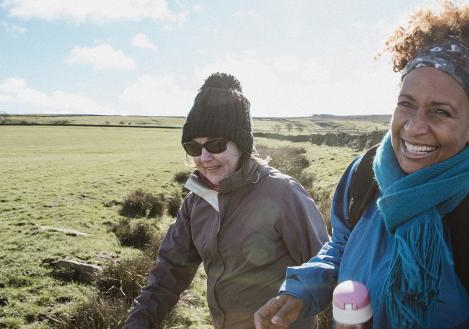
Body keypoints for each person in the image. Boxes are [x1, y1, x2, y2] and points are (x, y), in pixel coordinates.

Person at [254, 1, 469, 328]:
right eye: (407, 104)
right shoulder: (363, 175)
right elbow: (342, 246)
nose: (415, 126)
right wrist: (303, 289)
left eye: (440, 111)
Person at [125, 72, 329, 329]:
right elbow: (168, 274)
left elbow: (326, 269)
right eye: (194, 148)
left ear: (241, 145)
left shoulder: (283, 193)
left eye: (216, 144)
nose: (205, 157)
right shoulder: (195, 202)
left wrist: (294, 301)